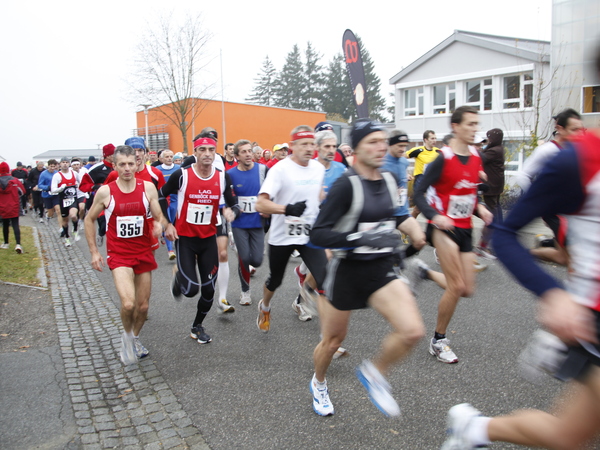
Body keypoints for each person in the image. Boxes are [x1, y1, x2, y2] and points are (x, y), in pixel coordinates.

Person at [440, 120, 600, 449]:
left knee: (567, 436)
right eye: (469, 124)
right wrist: (554, 294)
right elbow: (506, 232)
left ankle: (475, 429)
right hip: (593, 316)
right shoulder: (576, 161)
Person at [309, 119, 425, 417]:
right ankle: (318, 382)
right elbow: (318, 234)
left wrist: (414, 233)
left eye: (382, 141)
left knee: (412, 331)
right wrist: (358, 237)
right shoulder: (345, 185)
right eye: (372, 141)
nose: (380, 146)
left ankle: (375, 373)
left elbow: (396, 214)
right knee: (334, 341)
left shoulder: (388, 178)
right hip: (347, 271)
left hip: (381, 269)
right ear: (357, 148)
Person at [413, 106, 492, 364]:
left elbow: (470, 192)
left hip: (466, 228)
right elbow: (419, 193)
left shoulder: (476, 156)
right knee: (456, 286)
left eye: (476, 124)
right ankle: (439, 340)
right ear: (455, 126)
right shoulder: (443, 158)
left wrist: (480, 208)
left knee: (466, 289)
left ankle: (423, 273)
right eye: (469, 124)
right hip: (443, 228)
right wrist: (434, 216)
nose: (474, 128)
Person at [85, 145, 168, 365]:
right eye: (122, 164)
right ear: (115, 165)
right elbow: (88, 219)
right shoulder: (106, 192)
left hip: (143, 251)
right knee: (129, 304)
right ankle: (127, 336)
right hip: (119, 253)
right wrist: (94, 251)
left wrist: (158, 223)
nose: (127, 168)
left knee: (143, 306)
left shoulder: (148, 187)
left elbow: (157, 211)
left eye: (131, 163)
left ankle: (134, 337)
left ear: (138, 163)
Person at [160, 135, 240, 344]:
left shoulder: (222, 177)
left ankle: (197, 326)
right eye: (202, 149)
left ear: (216, 153)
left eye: (211, 150)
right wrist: (167, 224)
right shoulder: (182, 175)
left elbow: (234, 203)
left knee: (208, 290)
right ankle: (179, 279)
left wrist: (232, 212)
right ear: (194, 153)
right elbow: (161, 195)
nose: (206, 154)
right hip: (185, 239)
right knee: (191, 290)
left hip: (208, 240)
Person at [255, 125, 327, 333]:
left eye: (311, 144)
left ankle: (329, 337)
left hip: (309, 234)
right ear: (293, 146)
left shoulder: (318, 168)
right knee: (275, 280)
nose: (308, 148)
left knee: (324, 277)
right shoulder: (280, 169)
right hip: (282, 235)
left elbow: (318, 195)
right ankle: (265, 306)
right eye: (303, 144)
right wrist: (286, 209)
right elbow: (260, 204)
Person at [515, 109, 584, 266]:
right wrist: (538, 202)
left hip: (574, 212)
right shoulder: (547, 151)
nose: (579, 134)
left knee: (563, 258)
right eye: (574, 130)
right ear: (560, 129)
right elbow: (523, 175)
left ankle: (525, 253)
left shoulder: (577, 150)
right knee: (577, 260)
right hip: (556, 213)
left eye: (581, 129)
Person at [226, 139, 267, 306]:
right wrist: (231, 208)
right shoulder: (230, 174)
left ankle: (240, 248)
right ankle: (245, 291)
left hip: (258, 222)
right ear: (236, 156)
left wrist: (268, 207)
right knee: (244, 257)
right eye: (244, 152)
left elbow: (273, 190)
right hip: (239, 223)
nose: (248, 154)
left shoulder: (263, 169)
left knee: (256, 260)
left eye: (250, 151)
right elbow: (227, 196)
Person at [381, 130, 427, 258]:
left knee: (420, 240)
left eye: (405, 145)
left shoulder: (403, 162)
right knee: (384, 248)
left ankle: (397, 260)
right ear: (390, 145)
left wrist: (405, 176)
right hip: (384, 214)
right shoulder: (380, 163)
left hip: (402, 212)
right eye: (399, 146)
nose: (403, 149)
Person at [475, 128, 505, 260]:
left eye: (488, 139)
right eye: (478, 144)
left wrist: (475, 150)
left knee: (492, 217)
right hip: (491, 187)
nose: (481, 146)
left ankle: (487, 246)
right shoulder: (497, 148)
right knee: (494, 216)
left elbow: (481, 157)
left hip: (491, 187)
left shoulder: (494, 150)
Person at [79, 144, 116, 246]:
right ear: (107, 155)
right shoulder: (96, 168)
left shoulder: (120, 165)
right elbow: (83, 185)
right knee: (104, 225)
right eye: (114, 153)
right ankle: (101, 233)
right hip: (101, 201)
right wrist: (95, 187)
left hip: (117, 200)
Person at [407, 130, 440, 219]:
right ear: (425, 140)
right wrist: (405, 173)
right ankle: (406, 228)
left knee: (419, 209)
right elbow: (400, 158)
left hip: (433, 182)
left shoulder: (438, 152)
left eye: (435, 138)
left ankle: (407, 227)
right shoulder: (418, 150)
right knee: (421, 208)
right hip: (420, 181)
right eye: (432, 138)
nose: (434, 140)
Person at [155, 149, 180, 260]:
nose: (169, 159)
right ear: (162, 159)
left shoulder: (179, 169)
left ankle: (176, 244)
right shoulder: (157, 170)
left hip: (175, 199)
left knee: (174, 222)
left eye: (171, 156)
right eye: (167, 157)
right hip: (163, 199)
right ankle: (170, 250)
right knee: (167, 222)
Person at [51, 157, 80, 247]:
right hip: (63, 200)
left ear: (69, 164)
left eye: (66, 162)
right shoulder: (57, 176)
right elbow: (53, 190)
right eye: (63, 162)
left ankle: (75, 230)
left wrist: (78, 186)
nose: (65, 164)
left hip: (73, 199)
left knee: (73, 215)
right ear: (60, 164)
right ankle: (67, 238)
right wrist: (61, 188)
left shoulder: (74, 173)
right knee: (65, 221)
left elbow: (81, 183)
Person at [0, 162, 25, 253]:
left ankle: (6, 243)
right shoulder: (15, 180)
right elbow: (22, 191)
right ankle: (18, 244)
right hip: (14, 205)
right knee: (15, 224)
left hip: (2, 207)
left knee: (5, 224)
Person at [37, 159, 60, 224]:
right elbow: (40, 185)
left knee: (58, 210)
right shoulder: (43, 174)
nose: (52, 168)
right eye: (51, 166)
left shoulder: (57, 173)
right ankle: (48, 215)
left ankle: (61, 227)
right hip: (47, 194)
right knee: (51, 212)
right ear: (48, 166)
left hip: (56, 194)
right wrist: (48, 187)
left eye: (54, 166)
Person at [70, 158, 88, 229]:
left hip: (82, 193)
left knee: (82, 208)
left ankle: (80, 220)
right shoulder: (70, 172)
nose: (76, 166)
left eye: (77, 164)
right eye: (74, 165)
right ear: (72, 166)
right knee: (74, 211)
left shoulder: (84, 171)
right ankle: (74, 222)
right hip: (72, 194)